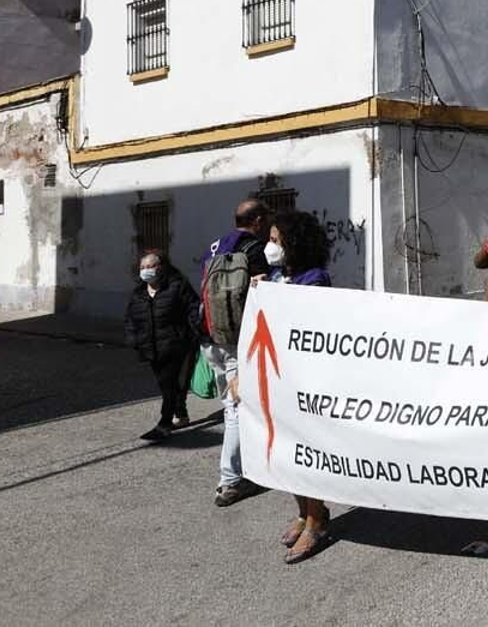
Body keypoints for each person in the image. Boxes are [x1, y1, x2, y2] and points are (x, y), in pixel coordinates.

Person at [248, 210, 335, 564]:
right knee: (286, 452)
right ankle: (303, 511)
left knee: (306, 452)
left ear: (293, 243)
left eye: (275, 240)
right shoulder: (276, 277)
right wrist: (259, 292)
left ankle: (317, 519)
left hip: (306, 380)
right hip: (278, 379)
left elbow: (309, 324)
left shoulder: (315, 279)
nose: (270, 247)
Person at [201, 198, 272, 508]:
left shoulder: (215, 247)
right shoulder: (254, 250)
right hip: (237, 341)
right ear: (256, 220)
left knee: (232, 403)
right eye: (265, 220)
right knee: (235, 408)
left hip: (212, 336)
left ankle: (251, 463)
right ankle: (230, 481)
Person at [124, 250, 201, 442]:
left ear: (161, 267)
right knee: (165, 383)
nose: (146, 271)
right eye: (142, 267)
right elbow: (130, 319)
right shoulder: (139, 293)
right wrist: (133, 339)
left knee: (169, 384)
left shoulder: (177, 286)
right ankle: (180, 414)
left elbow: (194, 308)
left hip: (176, 345)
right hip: (151, 347)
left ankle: (165, 423)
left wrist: (193, 332)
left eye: (150, 266)